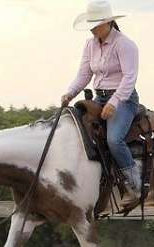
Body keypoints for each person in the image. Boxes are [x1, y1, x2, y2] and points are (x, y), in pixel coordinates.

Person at [61, 0, 141, 202]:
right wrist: (70, 92)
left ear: (108, 22)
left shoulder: (124, 44)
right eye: (91, 25)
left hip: (124, 99)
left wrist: (114, 103)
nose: (92, 29)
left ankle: (135, 184)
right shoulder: (90, 44)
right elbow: (84, 74)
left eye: (96, 24)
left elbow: (129, 78)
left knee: (114, 139)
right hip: (100, 97)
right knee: (77, 132)